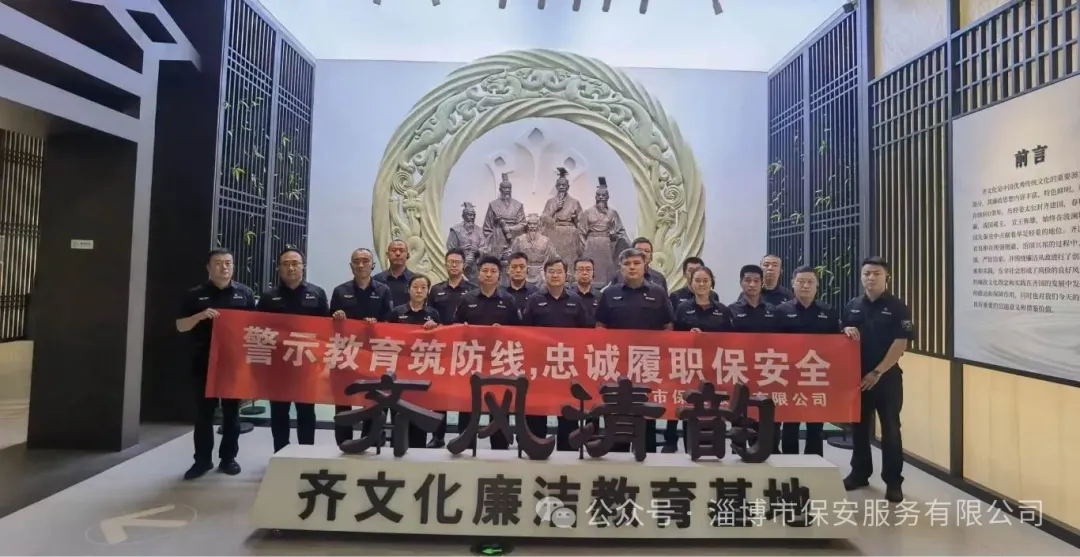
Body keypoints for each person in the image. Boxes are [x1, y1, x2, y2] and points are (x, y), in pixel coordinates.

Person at [176, 248, 256, 480]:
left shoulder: (245, 294)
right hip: (203, 361)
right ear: (208, 267)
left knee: (232, 413)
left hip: (233, 363)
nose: (224, 267)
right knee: (204, 414)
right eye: (219, 263)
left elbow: (254, 326)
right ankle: (202, 461)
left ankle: (228, 458)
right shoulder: (194, 295)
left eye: (228, 263)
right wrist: (199, 316)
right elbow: (180, 326)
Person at [842, 257, 913, 503]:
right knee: (859, 428)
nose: (871, 278)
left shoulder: (898, 307)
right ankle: (859, 474)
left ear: (886, 277)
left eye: (876, 274)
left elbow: (900, 343)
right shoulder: (853, 305)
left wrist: (877, 372)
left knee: (891, 429)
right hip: (857, 379)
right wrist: (845, 330)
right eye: (867, 274)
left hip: (886, 378)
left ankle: (893, 482)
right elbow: (844, 335)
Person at [595, 247, 674, 453]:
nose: (632, 267)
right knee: (618, 411)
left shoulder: (657, 293)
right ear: (620, 267)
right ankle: (617, 456)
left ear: (645, 266)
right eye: (627, 264)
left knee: (646, 411)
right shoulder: (609, 294)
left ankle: (647, 456)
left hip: (647, 364)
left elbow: (668, 326)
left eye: (636, 263)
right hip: (617, 364)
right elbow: (600, 326)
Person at [256, 248, 329, 452]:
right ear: (279, 268)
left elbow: (326, 331)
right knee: (279, 413)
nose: (291, 268)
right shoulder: (268, 297)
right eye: (286, 264)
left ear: (303, 267)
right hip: (278, 367)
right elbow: (258, 329)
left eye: (295, 263)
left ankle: (306, 455)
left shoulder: (317, 294)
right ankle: (280, 453)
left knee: (306, 412)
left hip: (307, 364)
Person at [521, 258, 591, 449]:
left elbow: (586, 331)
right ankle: (537, 446)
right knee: (537, 407)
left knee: (567, 408)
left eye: (559, 271)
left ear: (566, 275)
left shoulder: (575, 300)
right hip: (540, 366)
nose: (555, 275)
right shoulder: (535, 299)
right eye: (551, 271)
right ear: (545, 274)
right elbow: (524, 331)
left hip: (567, 367)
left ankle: (567, 449)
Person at [453, 254, 521, 449]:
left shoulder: (508, 300)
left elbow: (519, 331)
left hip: (499, 361)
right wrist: (463, 329)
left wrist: (504, 331)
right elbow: (454, 327)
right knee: (468, 401)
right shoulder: (466, 299)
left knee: (499, 401)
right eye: (485, 271)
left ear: (499, 275)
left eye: (493, 271)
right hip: (472, 361)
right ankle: (465, 443)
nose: (489, 274)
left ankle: (499, 446)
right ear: (478, 274)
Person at [330, 248, 394, 446]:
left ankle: (370, 440)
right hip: (346, 355)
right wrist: (337, 317)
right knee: (343, 399)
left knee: (374, 399)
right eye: (356, 261)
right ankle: (344, 443)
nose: (360, 265)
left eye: (365, 261)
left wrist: (377, 324)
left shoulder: (383, 290)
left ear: (372, 265)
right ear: (351, 266)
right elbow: (328, 324)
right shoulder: (340, 291)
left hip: (373, 356)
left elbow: (390, 323)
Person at [774, 265, 840, 457]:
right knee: (790, 425)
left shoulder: (828, 311)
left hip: (816, 377)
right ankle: (790, 464)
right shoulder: (781, 311)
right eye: (801, 281)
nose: (805, 286)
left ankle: (815, 463)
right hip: (789, 378)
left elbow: (837, 345)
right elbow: (772, 344)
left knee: (815, 425)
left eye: (810, 282)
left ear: (817, 285)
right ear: (793, 284)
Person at [667, 265, 732, 453]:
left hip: (714, 368)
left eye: (705, 280)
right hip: (689, 368)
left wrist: (709, 338)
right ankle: (691, 449)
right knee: (692, 407)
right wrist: (688, 336)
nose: (701, 284)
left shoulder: (722, 310)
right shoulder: (682, 308)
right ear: (691, 283)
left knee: (713, 408)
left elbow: (730, 340)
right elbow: (673, 337)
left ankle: (714, 448)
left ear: (712, 283)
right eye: (697, 280)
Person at [424, 248, 477, 448]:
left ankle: (465, 436)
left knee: (465, 394)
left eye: (457, 262)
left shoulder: (472, 290)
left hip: (465, 351)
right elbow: (429, 314)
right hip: (442, 350)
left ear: (463, 265)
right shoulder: (436, 290)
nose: (454, 265)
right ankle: (437, 436)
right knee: (440, 394)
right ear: (445, 264)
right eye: (450, 262)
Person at [728, 263, 780, 452]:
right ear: (741, 283)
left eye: (756, 281)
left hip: (767, 374)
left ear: (762, 283)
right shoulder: (731, 311)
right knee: (740, 420)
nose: (752, 284)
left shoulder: (773, 311)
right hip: (740, 373)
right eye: (747, 280)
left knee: (767, 422)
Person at [386, 274, 441, 448]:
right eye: (415, 287)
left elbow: (441, 342)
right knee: (399, 411)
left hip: (422, 372)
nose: (419, 291)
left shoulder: (433, 314)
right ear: (408, 289)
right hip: (399, 372)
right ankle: (397, 449)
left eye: (423, 288)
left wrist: (436, 328)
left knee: (419, 412)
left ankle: (419, 450)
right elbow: (385, 337)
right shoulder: (397, 312)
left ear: (428, 291)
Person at [604, 237, 669, 292]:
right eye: (639, 250)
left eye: (647, 251)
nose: (643, 253)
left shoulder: (659, 278)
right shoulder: (619, 276)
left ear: (651, 256)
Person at [373, 239, 413, 308]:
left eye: (401, 251)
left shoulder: (414, 280)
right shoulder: (376, 280)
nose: (398, 253)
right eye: (394, 250)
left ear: (408, 255)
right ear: (387, 255)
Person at [572, 257, 603, 327]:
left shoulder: (601, 297)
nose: (584, 273)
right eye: (581, 269)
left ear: (593, 273)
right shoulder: (567, 296)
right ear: (574, 273)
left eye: (588, 270)